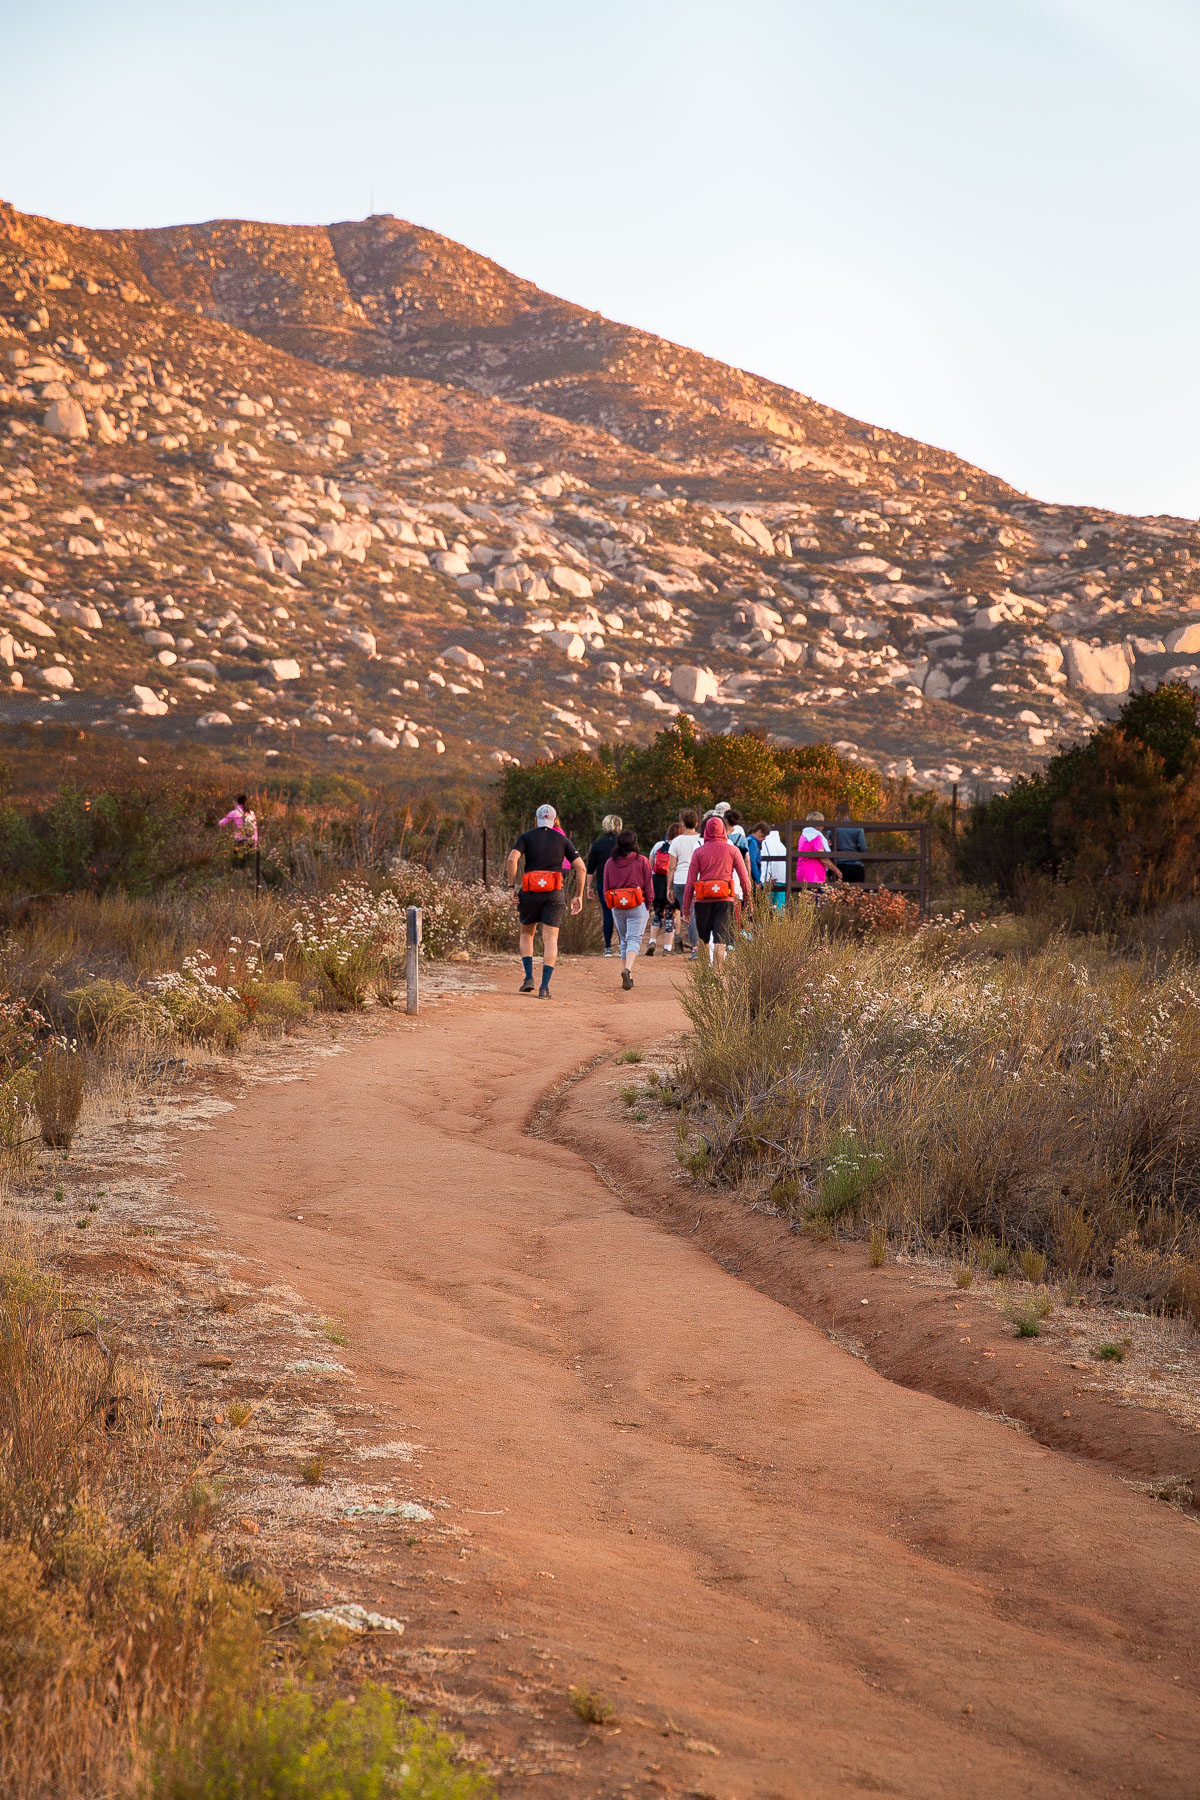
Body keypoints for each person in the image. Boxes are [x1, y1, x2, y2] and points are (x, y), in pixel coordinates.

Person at [505, 803, 586, 997]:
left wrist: (511, 887)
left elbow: (511, 859)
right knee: (551, 939)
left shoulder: (526, 837)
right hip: (554, 891)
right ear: (554, 820)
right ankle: (544, 987)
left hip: (530, 891)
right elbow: (581, 868)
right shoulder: (562, 839)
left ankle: (528, 978)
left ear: (536, 820)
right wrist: (578, 895)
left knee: (527, 934)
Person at [681, 816, 753, 970]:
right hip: (725, 899)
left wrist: (686, 909)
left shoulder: (699, 852)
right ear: (723, 830)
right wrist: (748, 900)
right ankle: (718, 974)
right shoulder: (733, 850)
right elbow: (744, 878)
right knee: (721, 939)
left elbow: (690, 882)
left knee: (704, 939)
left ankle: (706, 974)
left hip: (703, 900)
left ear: (705, 830)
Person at [602, 828, 654, 990]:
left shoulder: (610, 863)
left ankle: (628, 975)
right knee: (634, 939)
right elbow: (648, 885)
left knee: (624, 940)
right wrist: (649, 903)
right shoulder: (642, 861)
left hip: (617, 905)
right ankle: (628, 969)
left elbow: (606, 886)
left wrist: (610, 904)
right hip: (637, 904)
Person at [666, 809, 703, 959]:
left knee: (688, 914)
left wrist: (669, 887)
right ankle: (702, 946)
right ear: (696, 823)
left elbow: (671, 866)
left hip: (681, 880)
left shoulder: (676, 841)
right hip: (699, 880)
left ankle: (696, 948)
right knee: (698, 914)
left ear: (682, 822)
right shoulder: (701, 840)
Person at [586, 814, 623, 957]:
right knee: (621, 914)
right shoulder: (623, 843)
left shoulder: (598, 843)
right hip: (621, 883)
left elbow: (590, 868)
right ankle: (622, 945)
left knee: (607, 914)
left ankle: (607, 947)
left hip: (604, 882)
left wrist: (589, 887)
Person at [645, 822, 680, 956]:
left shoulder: (658, 845)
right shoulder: (678, 846)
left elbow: (650, 865)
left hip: (657, 882)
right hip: (671, 882)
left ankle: (652, 941)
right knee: (671, 915)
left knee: (658, 914)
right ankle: (667, 948)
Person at [795, 811, 844, 893]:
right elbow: (822, 858)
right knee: (815, 902)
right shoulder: (815, 836)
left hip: (802, 873)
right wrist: (836, 870)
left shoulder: (804, 835)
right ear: (817, 824)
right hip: (813, 875)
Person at [832, 801, 868, 883]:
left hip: (839, 865)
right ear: (848, 813)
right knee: (857, 893)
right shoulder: (858, 828)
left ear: (839, 813)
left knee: (839, 893)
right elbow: (864, 848)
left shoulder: (833, 829)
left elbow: (830, 847)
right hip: (856, 865)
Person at [219, 793, 258, 858]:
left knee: (238, 862)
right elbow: (255, 829)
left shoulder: (235, 813)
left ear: (236, 801)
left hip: (240, 841)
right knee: (249, 862)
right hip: (251, 840)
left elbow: (221, 823)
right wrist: (255, 843)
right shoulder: (251, 813)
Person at [759, 825, 788, 909]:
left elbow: (771, 859)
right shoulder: (782, 846)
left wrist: (771, 876)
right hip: (782, 880)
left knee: (766, 907)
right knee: (780, 907)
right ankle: (781, 922)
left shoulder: (766, 843)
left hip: (770, 880)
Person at [746, 822, 768, 888]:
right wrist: (757, 880)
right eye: (764, 835)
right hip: (753, 878)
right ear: (759, 831)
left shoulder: (748, 840)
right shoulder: (753, 842)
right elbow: (753, 862)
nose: (764, 838)